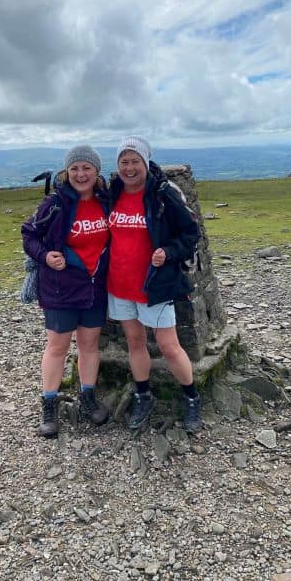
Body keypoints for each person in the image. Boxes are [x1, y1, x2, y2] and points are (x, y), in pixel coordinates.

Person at [107, 136, 203, 433]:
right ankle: (143, 395)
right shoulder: (113, 192)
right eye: (124, 161)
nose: (129, 167)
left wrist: (168, 252)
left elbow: (190, 233)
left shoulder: (162, 194)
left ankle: (191, 398)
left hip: (155, 286)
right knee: (135, 342)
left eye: (135, 161)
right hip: (119, 285)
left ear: (146, 162)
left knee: (168, 346)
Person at [22, 145, 110, 438]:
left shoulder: (106, 201)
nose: (80, 174)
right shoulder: (55, 203)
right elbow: (29, 235)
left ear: (96, 171)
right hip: (60, 288)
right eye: (75, 168)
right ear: (66, 171)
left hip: (96, 287)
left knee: (89, 346)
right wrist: (45, 256)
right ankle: (49, 404)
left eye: (86, 168)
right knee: (57, 347)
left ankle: (87, 399)